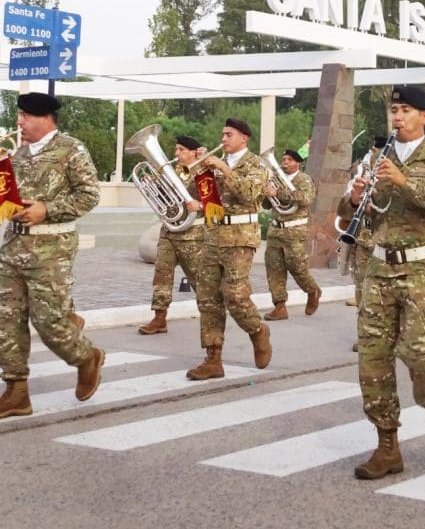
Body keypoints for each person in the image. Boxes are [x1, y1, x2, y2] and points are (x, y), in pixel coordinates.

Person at [339, 85, 425, 479]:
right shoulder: (377, 156)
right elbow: (349, 211)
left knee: (420, 352)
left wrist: (405, 181)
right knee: (372, 358)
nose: (397, 116)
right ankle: (387, 445)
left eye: (406, 110)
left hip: (423, 270)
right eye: (394, 109)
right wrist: (355, 198)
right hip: (378, 269)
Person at [0, 93, 105, 420]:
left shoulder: (70, 150)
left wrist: (46, 209)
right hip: (13, 247)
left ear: (44, 117)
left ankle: (86, 357)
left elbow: (89, 196)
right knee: (6, 322)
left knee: (50, 323)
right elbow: (10, 194)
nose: (19, 122)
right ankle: (16, 392)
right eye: (19, 116)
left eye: (24, 116)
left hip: (51, 250)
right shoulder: (18, 153)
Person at [184, 117, 273, 380]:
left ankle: (257, 331)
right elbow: (196, 194)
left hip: (239, 238)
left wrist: (223, 168)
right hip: (213, 236)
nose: (223, 139)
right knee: (208, 298)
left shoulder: (256, 164)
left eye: (229, 135)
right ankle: (213, 359)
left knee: (235, 294)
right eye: (222, 134)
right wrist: (199, 169)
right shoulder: (215, 165)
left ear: (244, 138)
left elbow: (248, 193)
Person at [138, 136, 205, 335]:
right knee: (162, 275)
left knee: (198, 278)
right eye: (176, 149)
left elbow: (217, 204)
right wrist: (153, 184)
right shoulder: (172, 172)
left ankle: (212, 315)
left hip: (192, 233)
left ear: (194, 152)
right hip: (169, 231)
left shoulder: (205, 173)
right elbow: (164, 198)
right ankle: (159, 319)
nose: (176, 154)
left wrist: (199, 205)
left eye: (181, 149)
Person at [262, 148, 322, 320]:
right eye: (284, 159)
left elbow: (306, 198)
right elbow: (267, 205)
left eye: (289, 160)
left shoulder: (304, 179)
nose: (285, 162)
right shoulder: (277, 179)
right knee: (274, 269)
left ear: (298, 163)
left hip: (294, 230)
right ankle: (279, 307)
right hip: (275, 229)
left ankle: (312, 290)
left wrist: (278, 193)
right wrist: (266, 193)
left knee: (297, 266)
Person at [343, 136, 386, 349]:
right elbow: (343, 210)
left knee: (386, 292)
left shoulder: (396, 179)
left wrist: (376, 204)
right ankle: (366, 335)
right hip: (362, 241)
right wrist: (354, 198)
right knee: (362, 289)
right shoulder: (361, 175)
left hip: (387, 243)